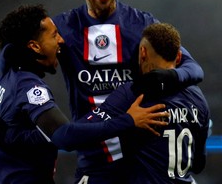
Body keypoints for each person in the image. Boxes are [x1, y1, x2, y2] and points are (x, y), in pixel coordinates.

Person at [0, 4, 169, 183]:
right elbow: (65, 136)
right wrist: (128, 121)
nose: (61, 41)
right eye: (53, 36)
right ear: (35, 46)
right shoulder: (31, 89)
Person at [52, 0, 205, 183]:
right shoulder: (62, 28)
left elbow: (193, 68)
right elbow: (17, 54)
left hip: (142, 166)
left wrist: (164, 78)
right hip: (94, 168)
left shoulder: (142, 24)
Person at [83, 22, 211, 183]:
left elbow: (78, 135)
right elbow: (199, 164)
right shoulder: (198, 98)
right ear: (179, 56)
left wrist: (126, 121)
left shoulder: (135, 93)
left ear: (142, 52)